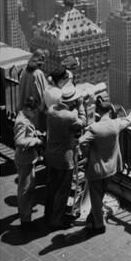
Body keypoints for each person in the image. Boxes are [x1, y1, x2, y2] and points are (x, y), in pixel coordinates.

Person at [79, 101, 131, 235]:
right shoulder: (116, 124)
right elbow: (128, 120)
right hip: (112, 168)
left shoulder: (94, 128)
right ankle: (93, 218)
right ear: (109, 111)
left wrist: (88, 153)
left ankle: (98, 225)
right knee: (101, 193)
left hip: (97, 169)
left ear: (98, 112)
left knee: (95, 197)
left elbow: (81, 142)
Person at [45, 84, 87, 229]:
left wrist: (73, 109)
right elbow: (82, 122)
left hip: (50, 155)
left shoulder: (51, 111)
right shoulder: (69, 116)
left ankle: (48, 215)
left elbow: (66, 117)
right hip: (64, 159)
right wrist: (80, 106)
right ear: (72, 101)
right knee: (62, 191)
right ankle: (56, 220)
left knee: (51, 187)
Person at [13, 96, 45, 230]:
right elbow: (19, 141)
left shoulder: (24, 118)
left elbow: (27, 134)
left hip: (27, 159)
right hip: (24, 159)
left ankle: (24, 212)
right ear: (28, 109)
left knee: (28, 187)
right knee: (25, 190)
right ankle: (25, 221)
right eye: (34, 111)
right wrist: (36, 141)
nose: (35, 114)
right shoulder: (22, 122)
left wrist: (35, 133)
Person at [18, 49, 48, 129]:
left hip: (25, 105)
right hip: (35, 108)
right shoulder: (38, 74)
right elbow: (44, 92)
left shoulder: (25, 72)